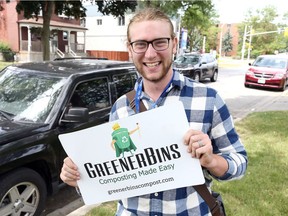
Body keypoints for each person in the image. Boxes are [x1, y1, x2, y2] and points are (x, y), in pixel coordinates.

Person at [60, 8, 248, 215]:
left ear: (174, 44)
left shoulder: (208, 99)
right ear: (130, 49)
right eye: (140, 44)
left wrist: (212, 161)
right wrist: (78, 177)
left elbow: (239, 162)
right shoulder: (120, 107)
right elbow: (110, 176)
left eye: (159, 42)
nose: (150, 54)